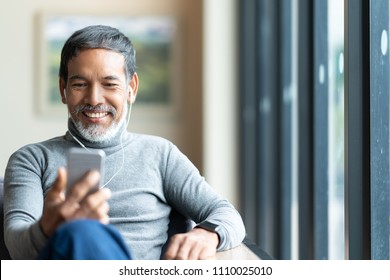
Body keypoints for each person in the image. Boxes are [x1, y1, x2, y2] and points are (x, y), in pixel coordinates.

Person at [3, 25, 245, 260]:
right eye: (79, 84)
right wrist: (47, 228)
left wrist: (207, 233)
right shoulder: (31, 159)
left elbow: (227, 214)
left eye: (109, 84)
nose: (94, 99)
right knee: (79, 232)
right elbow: (16, 246)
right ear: (63, 89)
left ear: (131, 88)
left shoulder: (160, 154)